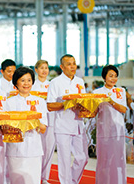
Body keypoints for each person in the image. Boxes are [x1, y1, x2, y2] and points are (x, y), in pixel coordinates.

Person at [47, 54, 88, 184]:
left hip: (78, 124)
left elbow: (84, 102)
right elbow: (49, 105)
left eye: (74, 63)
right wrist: (67, 104)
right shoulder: (55, 83)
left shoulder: (80, 82)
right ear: (62, 67)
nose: (72, 66)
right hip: (62, 126)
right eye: (69, 64)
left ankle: (73, 181)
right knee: (64, 159)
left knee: (83, 158)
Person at [4, 67, 48, 184]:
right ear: (16, 83)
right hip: (15, 149)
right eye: (22, 80)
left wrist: (30, 123)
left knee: (33, 180)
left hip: (34, 149)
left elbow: (43, 128)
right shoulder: (9, 102)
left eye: (29, 80)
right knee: (16, 180)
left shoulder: (40, 102)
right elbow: (5, 126)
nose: (26, 83)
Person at [93, 65, 127, 184]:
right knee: (104, 160)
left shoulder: (120, 91)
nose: (113, 79)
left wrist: (110, 101)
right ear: (104, 77)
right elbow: (93, 112)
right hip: (104, 130)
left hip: (118, 130)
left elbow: (123, 109)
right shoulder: (97, 92)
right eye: (110, 76)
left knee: (118, 159)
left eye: (115, 76)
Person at [32, 60, 54, 184]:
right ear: (36, 70)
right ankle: (35, 174)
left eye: (46, 68)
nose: (44, 70)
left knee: (49, 148)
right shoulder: (31, 85)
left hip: (51, 118)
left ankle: (45, 177)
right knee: (36, 147)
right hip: (36, 119)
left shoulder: (52, 85)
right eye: (41, 68)